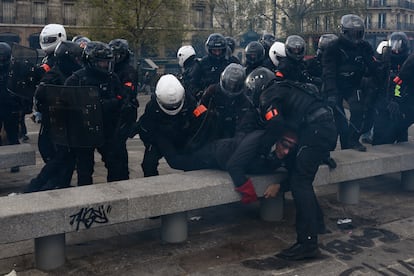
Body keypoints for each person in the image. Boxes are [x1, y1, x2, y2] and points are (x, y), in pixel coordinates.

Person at [246, 67, 337, 260]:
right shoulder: (285, 88)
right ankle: (318, 223)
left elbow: (276, 124)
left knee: (300, 183)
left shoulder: (267, 96)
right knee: (300, 177)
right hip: (323, 129)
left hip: (315, 131)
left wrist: (262, 151)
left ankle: (308, 243)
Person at [65, 41, 132, 185]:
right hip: (84, 131)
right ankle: (86, 200)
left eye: (107, 62)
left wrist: (111, 104)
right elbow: (67, 105)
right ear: (91, 61)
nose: (105, 66)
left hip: (107, 129)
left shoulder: (112, 78)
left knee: (114, 164)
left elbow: (122, 98)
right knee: (84, 169)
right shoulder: (76, 79)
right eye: (101, 63)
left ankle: (115, 195)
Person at [24, 41, 84, 192]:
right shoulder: (53, 75)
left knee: (68, 160)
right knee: (57, 161)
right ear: (67, 58)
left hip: (68, 125)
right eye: (76, 58)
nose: (78, 62)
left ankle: (61, 186)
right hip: (53, 127)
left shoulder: (71, 74)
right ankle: (36, 186)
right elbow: (40, 97)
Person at [322, 14, 378, 151]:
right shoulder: (333, 47)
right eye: (352, 33)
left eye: (358, 34)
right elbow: (328, 71)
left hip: (353, 84)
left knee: (358, 110)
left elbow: (372, 65)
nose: (355, 37)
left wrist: (379, 68)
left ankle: (353, 140)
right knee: (339, 120)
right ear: (344, 32)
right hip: (335, 85)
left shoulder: (364, 46)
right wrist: (331, 92)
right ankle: (342, 143)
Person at [134, 74, 199, 177]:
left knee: (193, 160)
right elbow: (146, 128)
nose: (173, 108)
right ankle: (153, 186)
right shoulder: (152, 107)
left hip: (183, 135)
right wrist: (152, 144)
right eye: (169, 106)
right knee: (148, 164)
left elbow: (198, 121)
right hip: (161, 137)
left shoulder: (190, 102)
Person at [195, 63, 253, 144]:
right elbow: (197, 112)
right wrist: (208, 115)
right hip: (212, 131)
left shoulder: (244, 99)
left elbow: (246, 121)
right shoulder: (212, 91)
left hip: (233, 132)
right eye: (229, 84)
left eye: (235, 86)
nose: (231, 88)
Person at [372, 32, 411, 145]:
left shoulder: (408, 61)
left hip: (401, 100)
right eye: (393, 45)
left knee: (400, 129)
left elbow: (400, 84)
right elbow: (377, 78)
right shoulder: (385, 60)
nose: (396, 49)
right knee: (381, 130)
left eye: (399, 45)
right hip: (383, 98)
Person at [189, 33, 232, 99]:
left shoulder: (231, 62)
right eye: (214, 50)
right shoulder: (202, 63)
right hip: (207, 100)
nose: (217, 53)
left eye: (219, 50)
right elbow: (192, 83)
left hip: (229, 98)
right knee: (197, 109)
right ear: (209, 50)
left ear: (224, 50)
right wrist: (199, 93)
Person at [0, 42, 21, 173]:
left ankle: (16, 162)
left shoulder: (14, 70)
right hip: (6, 106)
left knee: (13, 136)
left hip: (10, 107)